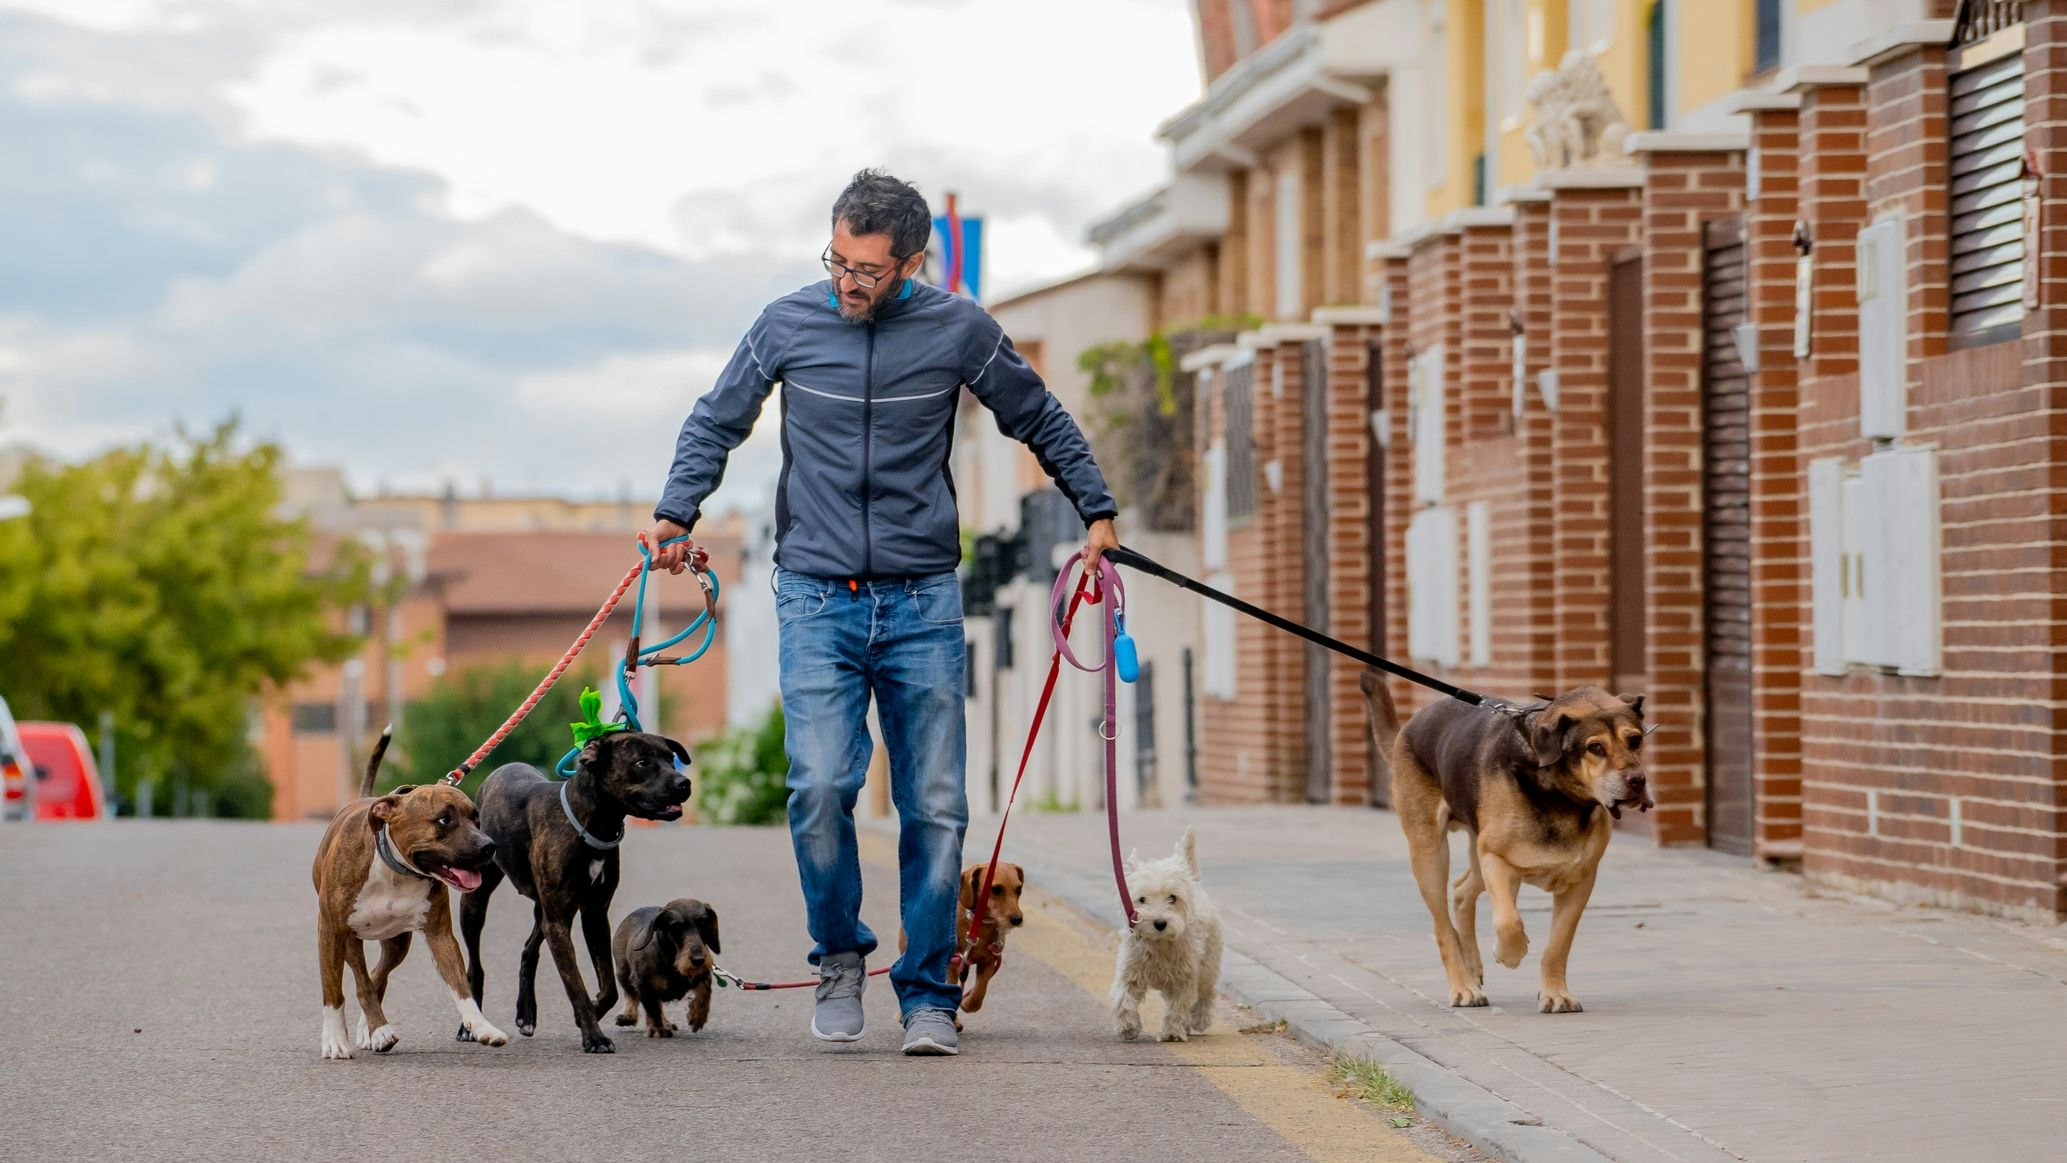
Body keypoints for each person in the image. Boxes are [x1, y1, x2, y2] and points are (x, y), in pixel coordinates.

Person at [646, 169, 1119, 1055]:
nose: (846, 280)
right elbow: (716, 420)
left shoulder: (958, 329)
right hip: (815, 595)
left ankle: (929, 992)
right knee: (820, 785)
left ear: (909, 261)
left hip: (921, 600)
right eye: (836, 259)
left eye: (866, 268)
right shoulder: (786, 323)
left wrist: (1094, 508)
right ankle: (837, 957)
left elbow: (1039, 416)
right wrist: (678, 511)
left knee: (934, 804)